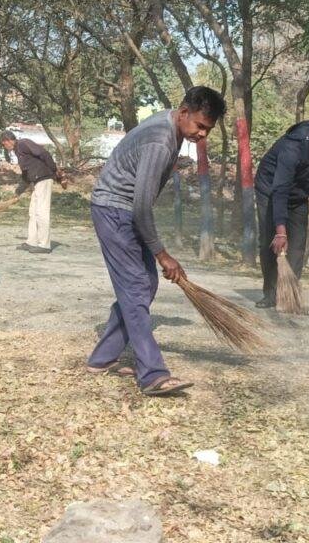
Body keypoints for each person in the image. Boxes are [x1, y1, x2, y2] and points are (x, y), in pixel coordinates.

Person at [87, 86, 226, 396]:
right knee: (136, 287)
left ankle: (102, 358)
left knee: (144, 285)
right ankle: (152, 374)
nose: (202, 134)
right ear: (184, 111)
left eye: (208, 130)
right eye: (200, 126)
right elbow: (140, 208)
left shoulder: (170, 126)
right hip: (113, 210)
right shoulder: (161, 140)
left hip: (121, 210)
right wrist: (163, 255)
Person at [253, 119, 309, 308]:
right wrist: (280, 231)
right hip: (270, 190)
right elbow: (280, 190)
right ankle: (270, 295)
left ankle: (288, 295)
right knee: (270, 242)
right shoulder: (292, 150)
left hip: (298, 192)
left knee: (297, 244)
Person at [0, 131, 65, 254]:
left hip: (44, 179)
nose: (5, 147)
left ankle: (44, 245)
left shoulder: (24, 143)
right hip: (36, 182)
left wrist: (54, 169)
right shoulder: (18, 152)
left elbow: (43, 153)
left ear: (8, 140)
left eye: (4, 144)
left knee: (41, 212)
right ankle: (32, 241)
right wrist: (18, 191)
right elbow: (26, 174)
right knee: (33, 212)